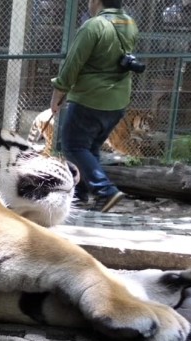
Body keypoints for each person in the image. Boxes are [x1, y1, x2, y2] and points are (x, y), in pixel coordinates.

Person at [50, 0, 139, 212]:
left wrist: (58, 93)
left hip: (91, 99)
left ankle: (106, 191)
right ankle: (79, 195)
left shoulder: (94, 25)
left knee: (72, 146)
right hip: (117, 101)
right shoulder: (129, 23)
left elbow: (73, 62)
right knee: (89, 148)